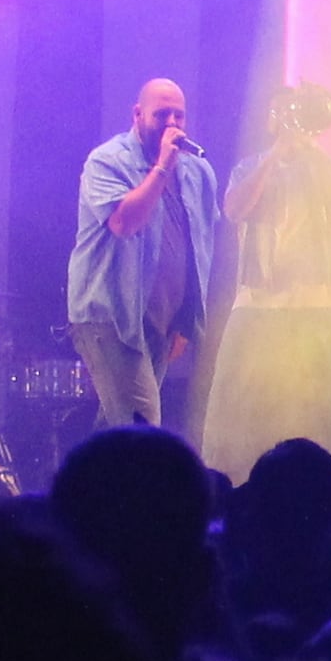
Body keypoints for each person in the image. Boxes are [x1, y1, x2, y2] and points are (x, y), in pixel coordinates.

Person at [208, 81, 331, 476]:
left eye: (293, 114)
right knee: (236, 394)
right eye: (280, 114)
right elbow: (235, 208)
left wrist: (310, 148)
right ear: (268, 119)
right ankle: (229, 479)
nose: (287, 122)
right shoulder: (249, 166)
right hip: (261, 300)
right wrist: (275, 156)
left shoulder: (320, 163)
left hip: (320, 299)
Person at [65, 76, 224, 447]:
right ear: (137, 115)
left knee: (114, 434)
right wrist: (162, 167)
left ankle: (78, 498)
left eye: (179, 117)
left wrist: (185, 320)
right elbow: (124, 223)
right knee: (143, 430)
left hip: (159, 322)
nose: (172, 125)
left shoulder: (198, 171)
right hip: (109, 315)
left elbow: (199, 249)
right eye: (161, 116)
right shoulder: (107, 161)